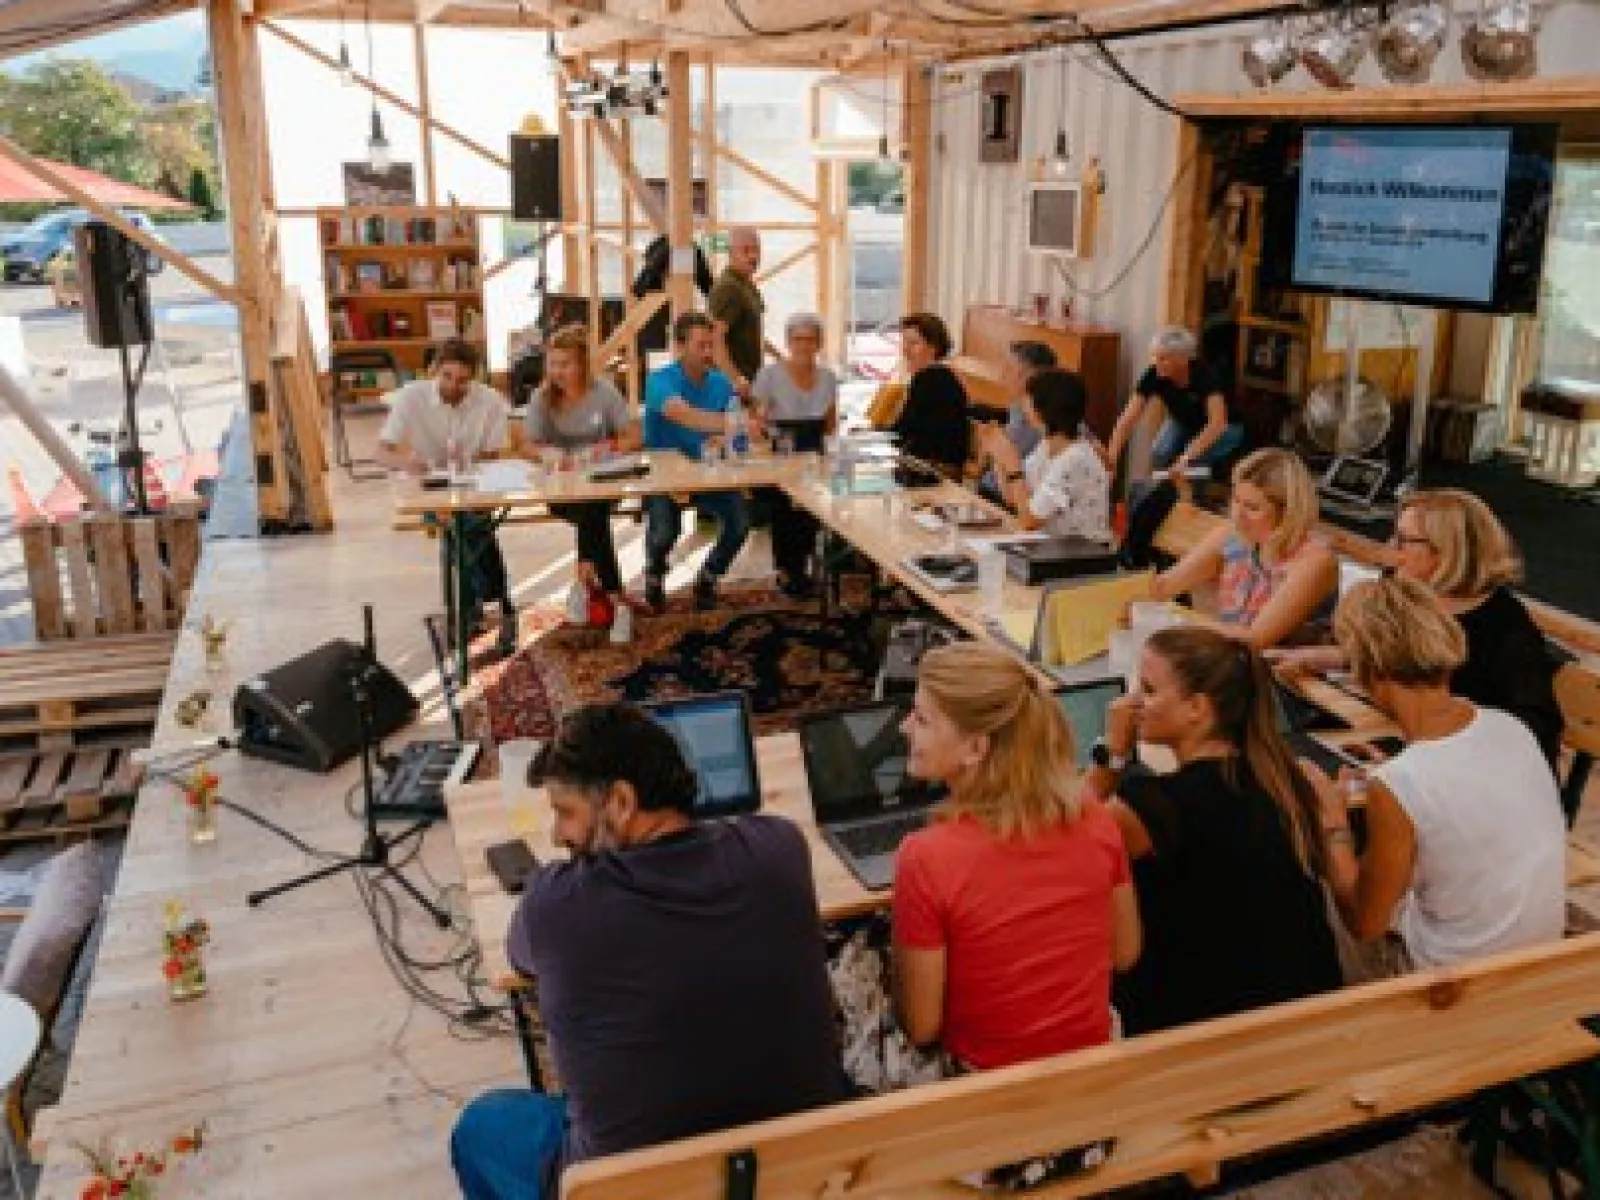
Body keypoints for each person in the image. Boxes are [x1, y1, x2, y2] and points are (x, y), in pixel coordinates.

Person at [450, 703, 846, 1200]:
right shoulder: (780, 849)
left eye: (565, 812)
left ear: (620, 801)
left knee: (485, 1126)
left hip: (633, 1188)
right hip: (799, 1169)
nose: (558, 835)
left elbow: (521, 957)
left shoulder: (555, 905)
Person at [894, 641, 1139, 1188]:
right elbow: (1124, 954)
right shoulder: (1096, 818)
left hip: (989, 1139)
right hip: (1092, 1117)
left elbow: (923, 1025)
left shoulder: (925, 857)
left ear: (976, 746)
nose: (905, 727)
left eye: (922, 718)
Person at [1085, 626, 1343, 1035]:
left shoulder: (1151, 806)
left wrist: (1111, 753)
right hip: (1303, 1009)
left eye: (1148, 690)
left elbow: (1068, 846)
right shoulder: (1282, 779)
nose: (1132, 702)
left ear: (1197, 709)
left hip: (1201, 1027)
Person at [1307, 578, 1566, 972]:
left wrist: (1333, 826)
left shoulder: (1401, 782)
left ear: (1368, 669)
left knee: (1312, 891)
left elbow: (1365, 922)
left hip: (1452, 984)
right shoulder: (1510, 726)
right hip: (1533, 956)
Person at [1271, 489, 1562, 770]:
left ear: (1448, 550)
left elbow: (1534, 729)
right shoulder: (1407, 594)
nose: (1391, 549)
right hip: (1402, 735)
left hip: (1461, 763)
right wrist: (1332, 657)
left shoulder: (1506, 628)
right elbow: (1406, 659)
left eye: (1404, 540)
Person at [375, 338, 518, 656]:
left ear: (475, 378)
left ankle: (468, 612)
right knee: (464, 525)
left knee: (467, 523)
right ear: (433, 371)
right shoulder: (412, 397)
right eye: (447, 377)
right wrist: (408, 464)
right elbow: (381, 453)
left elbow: (492, 457)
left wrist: (476, 475)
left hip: (474, 487)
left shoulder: (490, 400)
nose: (454, 386)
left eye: (463, 380)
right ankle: (497, 601)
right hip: (432, 488)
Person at [517, 324, 640, 645]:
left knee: (594, 509)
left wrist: (605, 449)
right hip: (561, 491)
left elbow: (634, 437)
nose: (557, 371)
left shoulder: (605, 393)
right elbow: (526, 446)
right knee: (593, 515)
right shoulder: (541, 399)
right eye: (553, 364)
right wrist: (547, 453)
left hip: (602, 486)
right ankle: (617, 601)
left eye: (565, 364)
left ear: (583, 364)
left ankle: (584, 584)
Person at [1149, 448, 1339, 649]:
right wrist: (1128, 596)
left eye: (1252, 507)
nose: (1237, 515)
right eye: (1236, 500)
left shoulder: (1314, 561)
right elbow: (1164, 586)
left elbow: (1254, 639)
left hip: (1281, 673)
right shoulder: (1232, 536)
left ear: (1287, 513)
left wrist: (1175, 620)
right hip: (1226, 656)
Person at [642, 311, 760, 613]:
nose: (709, 353)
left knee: (740, 522)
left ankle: (708, 576)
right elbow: (684, 415)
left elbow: (735, 430)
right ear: (681, 347)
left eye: (711, 345)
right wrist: (733, 424)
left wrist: (729, 434)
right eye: (701, 346)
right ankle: (654, 574)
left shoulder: (721, 382)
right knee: (665, 533)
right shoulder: (659, 380)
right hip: (665, 475)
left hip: (710, 473)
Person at [753, 311, 839, 599]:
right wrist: (768, 435)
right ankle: (787, 571)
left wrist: (833, 451)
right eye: (798, 338)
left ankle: (803, 568)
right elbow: (758, 419)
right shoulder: (769, 375)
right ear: (788, 342)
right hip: (783, 450)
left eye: (810, 339)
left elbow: (830, 423)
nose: (804, 344)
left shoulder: (828, 378)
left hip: (814, 451)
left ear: (819, 343)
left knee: (811, 513)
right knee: (786, 512)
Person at [975, 368, 1111, 542]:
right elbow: (1012, 498)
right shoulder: (1047, 446)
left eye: (1028, 400)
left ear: (1044, 410)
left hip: (1081, 558)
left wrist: (1012, 463)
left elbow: (1029, 521)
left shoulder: (1075, 459)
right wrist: (999, 456)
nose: (1023, 405)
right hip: (1051, 549)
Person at [1105, 326, 1245, 478]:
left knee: (1192, 465)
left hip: (1226, 427)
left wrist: (1186, 457)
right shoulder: (1154, 374)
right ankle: (1164, 496)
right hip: (1184, 421)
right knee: (1160, 453)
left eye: (1163, 358)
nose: (1156, 363)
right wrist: (1111, 461)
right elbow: (1127, 420)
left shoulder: (1206, 376)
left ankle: (1190, 499)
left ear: (1183, 358)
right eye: (1154, 357)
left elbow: (1217, 423)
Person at [891, 312, 970, 478]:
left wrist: (870, 437)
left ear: (933, 347)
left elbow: (902, 430)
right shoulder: (943, 374)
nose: (906, 350)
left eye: (914, 343)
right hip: (929, 464)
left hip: (934, 471)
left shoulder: (929, 378)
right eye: (904, 342)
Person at [977, 341, 1058, 500]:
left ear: (1030, 376)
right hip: (990, 485)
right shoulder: (1016, 405)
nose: (1002, 376)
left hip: (1010, 498)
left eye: (1009, 370)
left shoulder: (1051, 418)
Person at [708, 226, 765, 397]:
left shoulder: (747, 285)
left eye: (756, 250)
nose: (753, 256)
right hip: (731, 387)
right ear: (731, 253)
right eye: (745, 250)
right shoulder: (728, 288)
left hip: (749, 379)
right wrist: (735, 380)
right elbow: (715, 339)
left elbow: (752, 330)